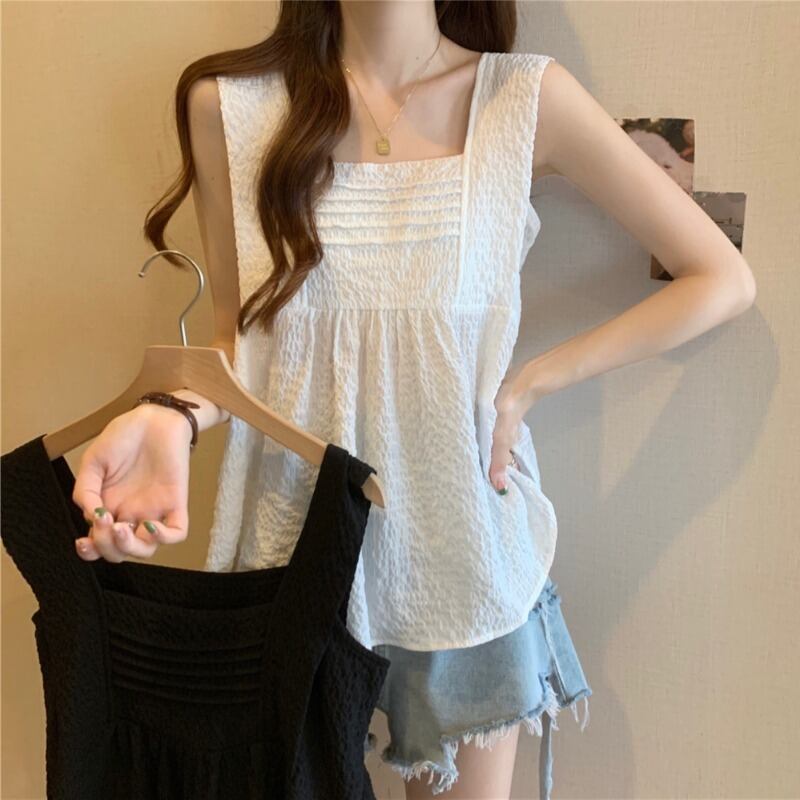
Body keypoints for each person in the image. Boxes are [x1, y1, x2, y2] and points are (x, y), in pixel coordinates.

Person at [70, 2, 756, 798]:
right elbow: (243, 344)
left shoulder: (523, 98)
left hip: (461, 553)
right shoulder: (230, 106)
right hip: (294, 546)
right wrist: (171, 415)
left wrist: (531, 382)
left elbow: (721, 278)